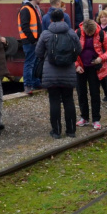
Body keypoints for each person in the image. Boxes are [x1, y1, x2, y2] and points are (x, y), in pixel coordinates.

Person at [36, 8, 81, 139]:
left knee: (54, 101)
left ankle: (56, 132)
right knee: (69, 100)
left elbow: (38, 53)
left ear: (50, 20)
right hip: (68, 72)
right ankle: (71, 130)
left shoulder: (45, 34)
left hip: (51, 74)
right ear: (63, 18)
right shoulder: (71, 33)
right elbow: (79, 49)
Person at [75, 19, 107, 131]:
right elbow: (71, 51)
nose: (90, 35)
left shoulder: (101, 33)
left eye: (92, 34)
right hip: (81, 68)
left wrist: (101, 59)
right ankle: (84, 117)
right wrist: (76, 65)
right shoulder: (77, 33)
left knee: (95, 93)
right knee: (81, 93)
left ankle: (96, 119)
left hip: (95, 69)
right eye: (88, 34)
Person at [18, 0, 43, 94]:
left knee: (35, 62)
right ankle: (28, 85)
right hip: (30, 41)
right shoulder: (26, 9)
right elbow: (25, 26)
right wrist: (33, 39)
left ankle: (34, 82)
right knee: (30, 63)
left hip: (34, 41)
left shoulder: (34, 8)